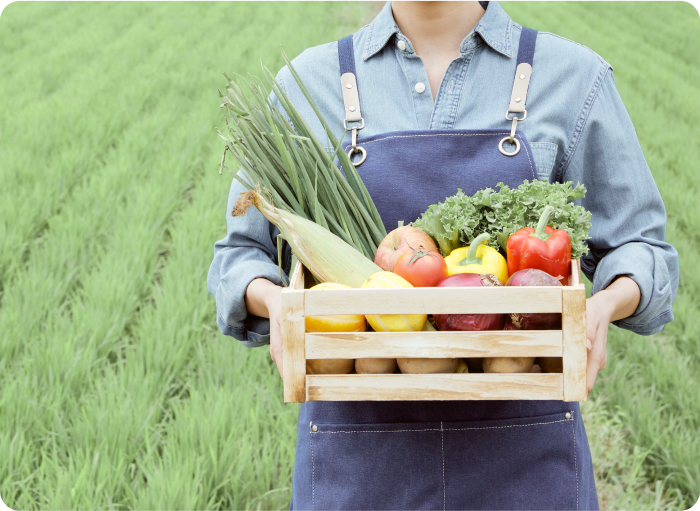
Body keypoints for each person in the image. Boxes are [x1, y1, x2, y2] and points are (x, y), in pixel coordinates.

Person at [207, 0, 679, 509]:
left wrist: (606, 305)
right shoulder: (307, 84)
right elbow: (241, 255)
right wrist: (275, 303)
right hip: (359, 464)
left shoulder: (572, 77)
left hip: (526, 463)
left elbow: (641, 245)